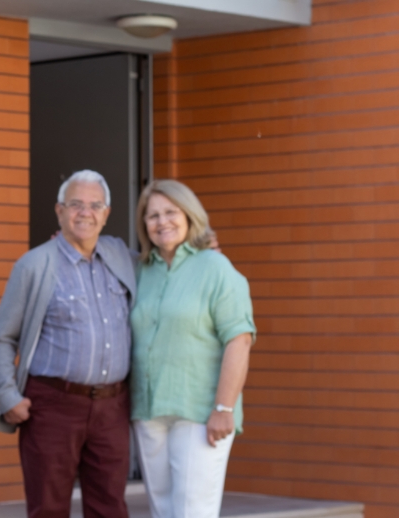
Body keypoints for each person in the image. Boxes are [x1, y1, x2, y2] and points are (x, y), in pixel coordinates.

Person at [0, 170, 137, 517]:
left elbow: (164, 266)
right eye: (76, 204)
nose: (86, 212)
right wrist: (7, 395)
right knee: (48, 508)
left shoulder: (122, 258)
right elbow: (1, 339)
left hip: (112, 407)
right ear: (59, 211)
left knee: (111, 508)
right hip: (52, 406)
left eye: (95, 205)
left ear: (107, 213)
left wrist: (202, 250)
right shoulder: (34, 265)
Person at [130, 179, 256, 518]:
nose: (162, 222)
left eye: (171, 212)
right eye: (152, 215)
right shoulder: (141, 270)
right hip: (148, 411)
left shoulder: (215, 268)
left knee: (193, 512)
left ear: (189, 215)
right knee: (162, 511)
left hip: (200, 412)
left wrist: (224, 408)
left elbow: (239, 339)